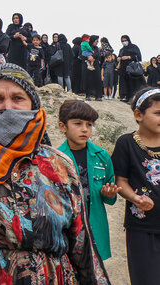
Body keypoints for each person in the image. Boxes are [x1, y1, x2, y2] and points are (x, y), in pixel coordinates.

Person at [0, 63, 109, 284]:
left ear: (33, 104)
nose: (8, 107)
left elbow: (81, 243)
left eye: (18, 98)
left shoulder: (59, 164)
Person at [57, 100, 120, 260]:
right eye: (78, 123)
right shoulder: (55, 158)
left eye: (89, 124)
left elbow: (110, 198)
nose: (85, 129)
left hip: (94, 228)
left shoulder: (102, 156)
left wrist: (110, 193)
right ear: (62, 126)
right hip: (67, 228)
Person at [112, 87, 160, 285]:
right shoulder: (126, 144)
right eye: (158, 113)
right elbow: (120, 180)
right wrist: (135, 198)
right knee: (146, 279)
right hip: (141, 227)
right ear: (138, 115)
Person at [117, 34, 145, 102]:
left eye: (125, 40)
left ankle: (131, 97)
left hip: (132, 67)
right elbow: (119, 56)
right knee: (124, 82)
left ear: (128, 40)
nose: (124, 42)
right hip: (123, 68)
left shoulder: (134, 47)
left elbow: (138, 56)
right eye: (122, 41)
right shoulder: (122, 49)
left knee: (132, 82)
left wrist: (129, 57)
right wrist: (119, 58)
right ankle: (124, 96)